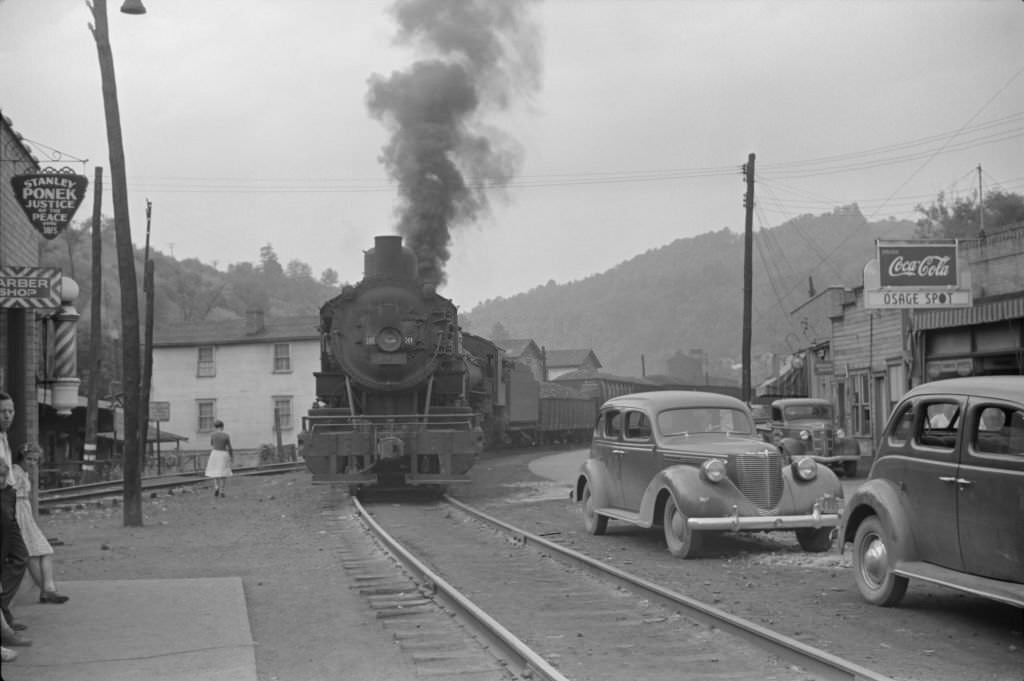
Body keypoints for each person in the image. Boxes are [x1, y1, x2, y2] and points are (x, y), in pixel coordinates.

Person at [11, 444, 68, 604]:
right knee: (34, 553)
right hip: (18, 512)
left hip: (25, 512)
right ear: (22, 456)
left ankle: (47, 590)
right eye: (29, 459)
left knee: (43, 551)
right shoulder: (15, 471)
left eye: (35, 460)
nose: (32, 462)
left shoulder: (23, 472)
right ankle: (47, 591)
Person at [0, 391, 29, 639]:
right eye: (3, 411)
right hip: (1, 499)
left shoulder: (4, 436)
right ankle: (3, 611)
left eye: (11, 411)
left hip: (8, 496)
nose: (8, 415)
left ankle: (4, 613)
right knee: (18, 555)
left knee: (16, 556)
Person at [204, 420, 234, 497]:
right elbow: (229, 447)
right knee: (223, 472)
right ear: (222, 427)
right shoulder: (226, 435)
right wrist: (231, 456)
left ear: (215, 427)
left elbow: (212, 444)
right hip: (223, 453)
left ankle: (216, 487)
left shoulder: (213, 435)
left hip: (215, 453)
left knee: (215, 471)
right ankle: (222, 491)